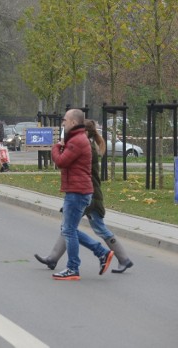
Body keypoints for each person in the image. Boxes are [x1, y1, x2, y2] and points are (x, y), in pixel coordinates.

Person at [35, 119, 134, 273]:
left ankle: (120, 257)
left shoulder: (85, 146)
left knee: (77, 228)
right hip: (88, 193)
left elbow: (64, 162)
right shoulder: (86, 144)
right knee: (70, 227)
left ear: (85, 132)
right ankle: (53, 258)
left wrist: (60, 147)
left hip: (88, 195)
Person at [48, 108, 114, 280]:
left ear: (73, 122)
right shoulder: (77, 139)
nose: (63, 122)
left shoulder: (77, 140)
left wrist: (55, 148)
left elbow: (61, 162)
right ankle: (101, 253)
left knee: (68, 231)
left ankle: (73, 268)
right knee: (69, 229)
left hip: (77, 192)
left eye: (65, 120)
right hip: (78, 190)